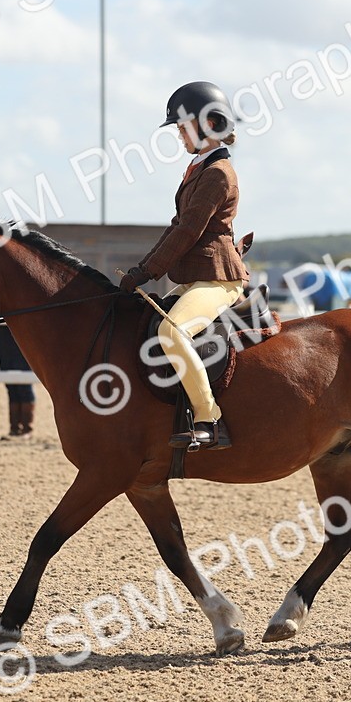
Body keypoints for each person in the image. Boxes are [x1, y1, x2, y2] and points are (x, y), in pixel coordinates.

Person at [119, 81, 250, 451]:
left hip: (219, 278)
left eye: (181, 128)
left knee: (171, 333)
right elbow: (176, 226)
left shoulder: (218, 173)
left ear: (206, 124)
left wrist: (147, 273)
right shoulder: (199, 168)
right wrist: (141, 268)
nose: (178, 136)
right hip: (197, 277)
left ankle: (210, 419)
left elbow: (189, 231)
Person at [0, 324, 36, 439]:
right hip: (2, 339)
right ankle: (14, 427)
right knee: (11, 387)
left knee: (24, 386)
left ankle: (27, 428)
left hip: (20, 337)